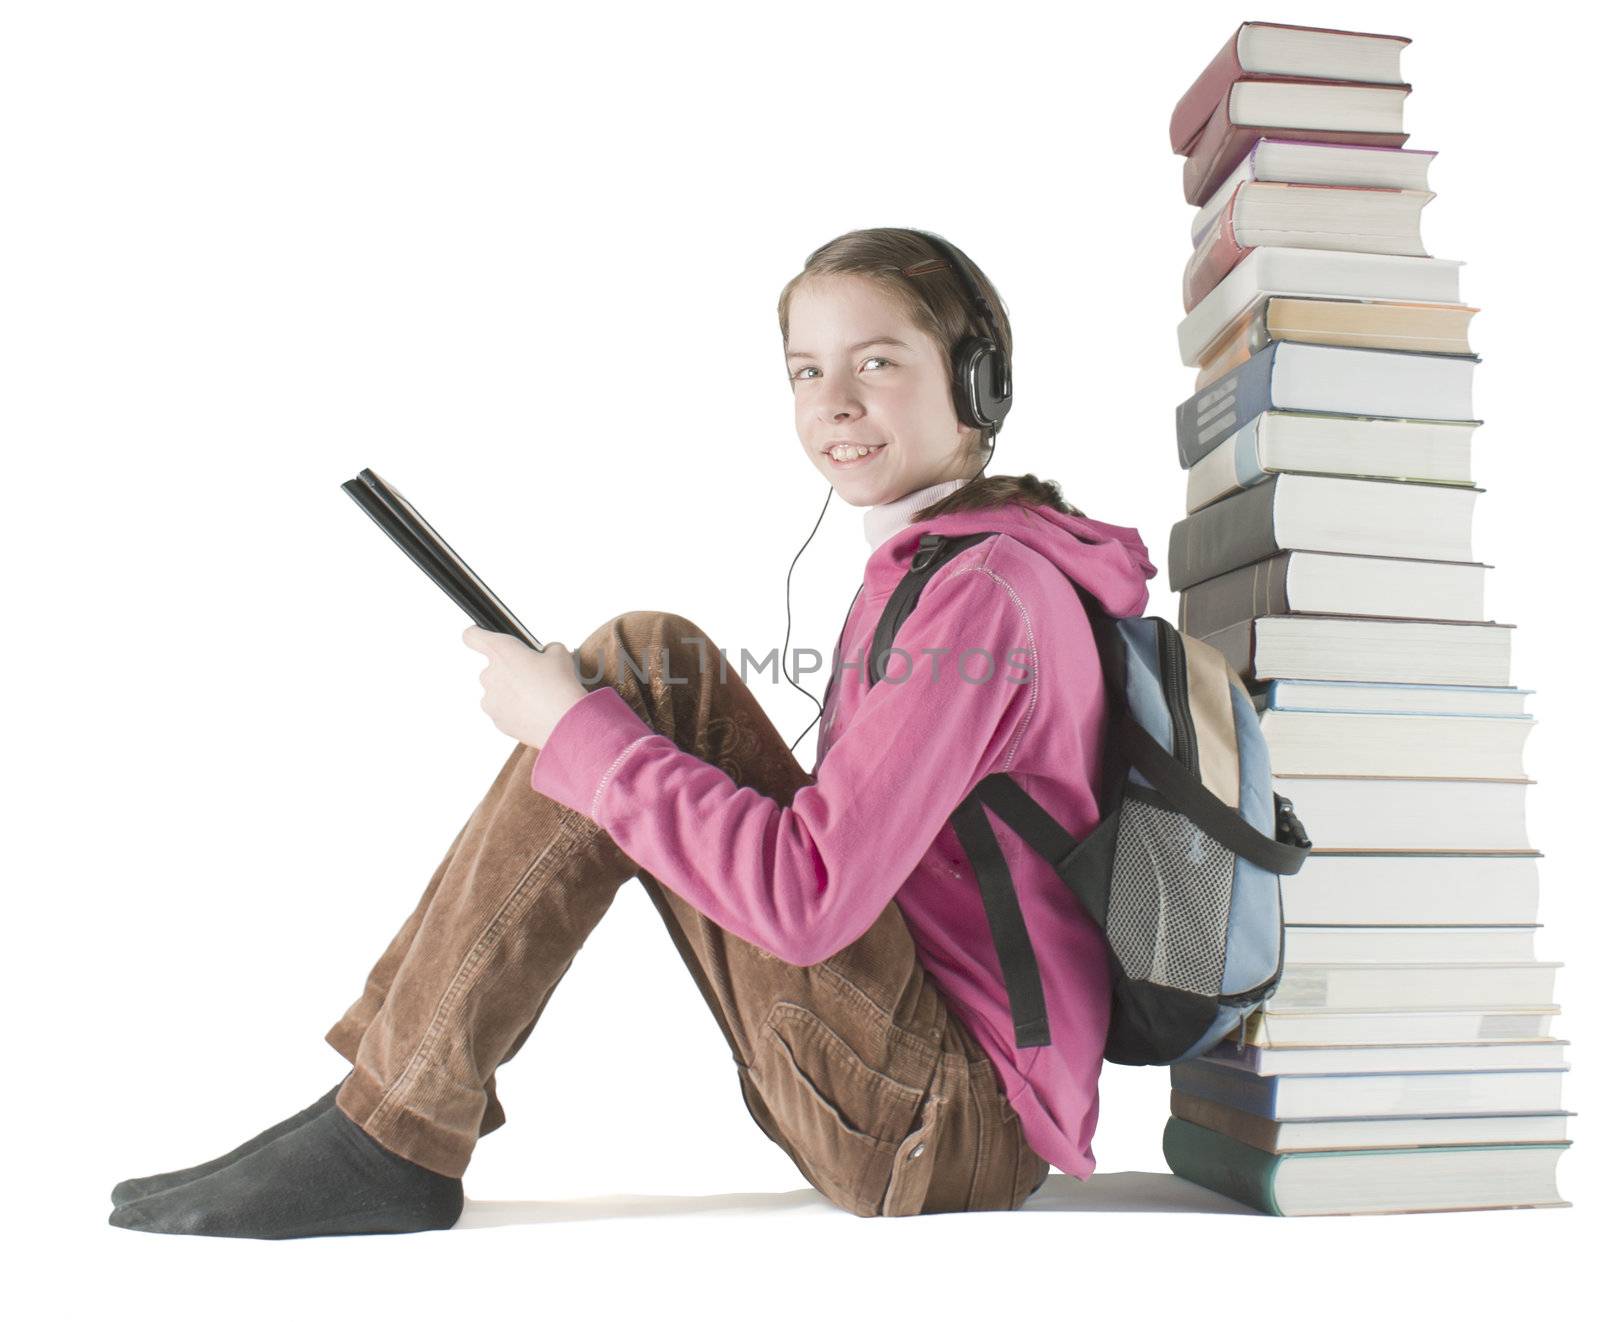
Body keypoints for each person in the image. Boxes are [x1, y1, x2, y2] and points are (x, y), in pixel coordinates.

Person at [107, 227, 1157, 1238]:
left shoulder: (985, 595)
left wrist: (579, 731)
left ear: (980, 383)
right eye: (803, 371)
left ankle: (389, 1123)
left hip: (949, 1120)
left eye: (875, 361)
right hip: (920, 1086)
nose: (832, 402)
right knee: (642, 670)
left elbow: (805, 902)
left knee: (633, 673)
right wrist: (592, 734)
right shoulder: (946, 571)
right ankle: (384, 1107)